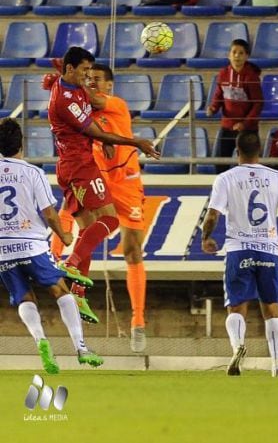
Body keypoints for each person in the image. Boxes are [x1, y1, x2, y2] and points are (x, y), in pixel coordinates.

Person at [46, 47, 159, 325]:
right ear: (73, 71)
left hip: (122, 179)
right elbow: (90, 125)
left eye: (95, 76)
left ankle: (79, 294)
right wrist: (134, 142)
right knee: (108, 220)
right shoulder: (73, 101)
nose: (90, 80)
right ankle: (68, 263)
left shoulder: (114, 103)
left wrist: (56, 79)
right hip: (84, 168)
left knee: (92, 233)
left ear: (110, 84)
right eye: (87, 73)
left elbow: (92, 113)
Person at [201, 131, 278, 377]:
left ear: (237, 152)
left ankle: (238, 348)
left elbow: (213, 215)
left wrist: (206, 237)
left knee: (236, 308)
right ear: (261, 152)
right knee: (272, 308)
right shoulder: (276, 178)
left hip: (238, 250)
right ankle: (277, 366)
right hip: (268, 250)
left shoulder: (225, 179)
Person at [0, 118, 103, 373]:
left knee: (24, 296)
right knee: (60, 290)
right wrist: (65, 236)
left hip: (2, 247)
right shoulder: (32, 172)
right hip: (32, 243)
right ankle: (80, 348)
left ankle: (41, 342)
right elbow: (49, 213)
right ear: (21, 144)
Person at [207, 39, 263, 174]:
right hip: (227, 126)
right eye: (234, 52)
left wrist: (245, 123)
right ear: (229, 55)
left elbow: (258, 103)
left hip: (247, 129)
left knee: (249, 165)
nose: (237, 56)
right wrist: (213, 108)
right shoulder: (223, 73)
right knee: (220, 162)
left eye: (241, 53)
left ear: (247, 56)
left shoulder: (251, 76)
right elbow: (219, 95)